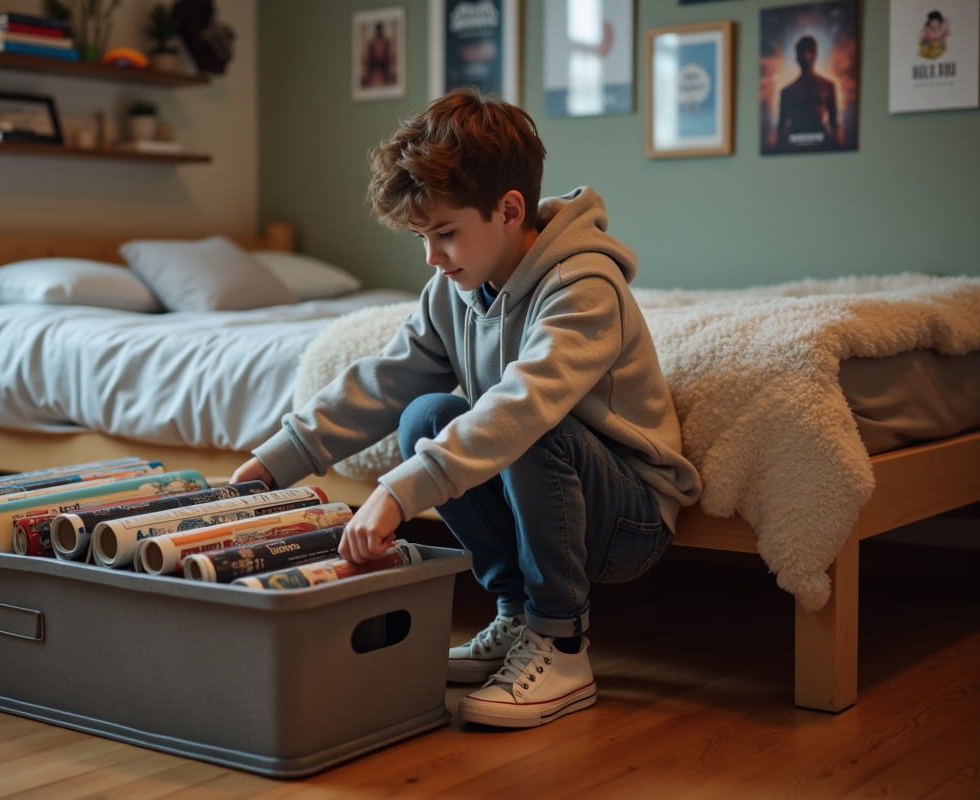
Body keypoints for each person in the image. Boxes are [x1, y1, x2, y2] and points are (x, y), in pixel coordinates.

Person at [232, 87, 701, 729]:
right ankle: (516, 618)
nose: (431, 257)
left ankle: (561, 645)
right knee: (425, 414)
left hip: (626, 520)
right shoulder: (452, 290)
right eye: (422, 236)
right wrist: (276, 460)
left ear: (510, 210)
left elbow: (522, 406)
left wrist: (400, 493)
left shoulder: (584, 287)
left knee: (530, 427)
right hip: (539, 502)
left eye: (445, 233)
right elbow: (386, 379)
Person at [777, 35, 839, 150]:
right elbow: (780, 128)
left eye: (810, 51)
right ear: (797, 57)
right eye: (803, 52)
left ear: (815, 55)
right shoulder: (787, 91)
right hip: (794, 145)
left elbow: (834, 124)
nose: (807, 56)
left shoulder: (828, 86)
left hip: (823, 144)